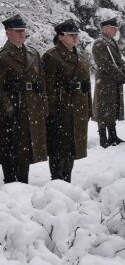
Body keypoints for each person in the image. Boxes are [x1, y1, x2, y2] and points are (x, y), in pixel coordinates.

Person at [0, 14, 47, 184]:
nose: (22, 34)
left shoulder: (33, 53)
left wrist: (42, 104)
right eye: (17, 31)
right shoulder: (0, 56)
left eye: (23, 31)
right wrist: (7, 108)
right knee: (10, 147)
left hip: (30, 105)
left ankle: (23, 181)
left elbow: (40, 82)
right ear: (8, 33)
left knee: (26, 148)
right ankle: (10, 181)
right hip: (13, 106)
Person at [41, 19, 92, 182]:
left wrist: (89, 107)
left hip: (78, 106)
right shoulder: (51, 56)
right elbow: (47, 86)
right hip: (61, 108)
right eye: (71, 35)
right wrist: (52, 110)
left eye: (76, 34)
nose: (75, 37)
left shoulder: (81, 55)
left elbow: (87, 84)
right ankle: (57, 178)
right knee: (58, 146)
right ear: (61, 37)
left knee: (72, 146)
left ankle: (67, 177)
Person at [92, 17, 125, 147]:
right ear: (105, 28)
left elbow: (119, 61)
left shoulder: (112, 42)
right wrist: (120, 76)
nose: (116, 30)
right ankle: (103, 138)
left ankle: (112, 135)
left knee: (111, 108)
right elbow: (105, 64)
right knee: (103, 109)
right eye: (113, 28)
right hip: (105, 82)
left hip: (113, 82)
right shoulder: (100, 43)